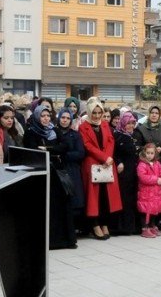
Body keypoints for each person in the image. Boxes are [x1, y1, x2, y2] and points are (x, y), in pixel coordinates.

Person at [23, 106, 78, 249]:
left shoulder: (54, 130)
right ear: (36, 117)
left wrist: (47, 149)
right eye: (43, 116)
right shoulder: (31, 132)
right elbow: (33, 150)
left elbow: (66, 145)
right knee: (48, 207)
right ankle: (50, 241)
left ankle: (66, 240)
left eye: (48, 115)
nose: (46, 118)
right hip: (42, 173)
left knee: (62, 206)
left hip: (57, 173)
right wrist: (54, 151)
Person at [78, 97, 122, 240]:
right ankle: (95, 225)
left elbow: (110, 141)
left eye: (99, 113)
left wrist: (108, 158)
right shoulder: (83, 127)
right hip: (92, 164)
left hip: (107, 164)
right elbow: (87, 145)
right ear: (90, 112)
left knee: (105, 196)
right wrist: (104, 157)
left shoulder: (104, 125)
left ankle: (105, 223)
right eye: (94, 113)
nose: (97, 116)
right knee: (93, 197)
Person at [55, 108, 86, 235]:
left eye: (68, 118)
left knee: (74, 200)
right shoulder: (53, 133)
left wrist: (63, 155)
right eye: (63, 117)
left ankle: (74, 229)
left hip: (72, 169)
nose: (65, 120)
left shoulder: (75, 134)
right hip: (57, 170)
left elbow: (80, 153)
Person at [111, 112, 140, 236]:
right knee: (124, 199)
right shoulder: (118, 136)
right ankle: (120, 227)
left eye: (133, 123)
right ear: (123, 123)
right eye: (128, 123)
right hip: (123, 173)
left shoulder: (133, 136)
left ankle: (131, 227)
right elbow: (113, 153)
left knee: (132, 199)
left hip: (133, 172)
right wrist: (119, 162)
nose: (131, 125)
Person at [136, 142, 161, 238]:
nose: (150, 155)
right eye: (148, 153)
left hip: (156, 192)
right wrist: (156, 179)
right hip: (146, 193)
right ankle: (144, 228)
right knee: (145, 210)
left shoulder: (157, 163)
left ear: (155, 154)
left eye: (152, 153)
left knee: (155, 210)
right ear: (144, 153)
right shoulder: (142, 164)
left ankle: (152, 226)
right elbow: (143, 177)